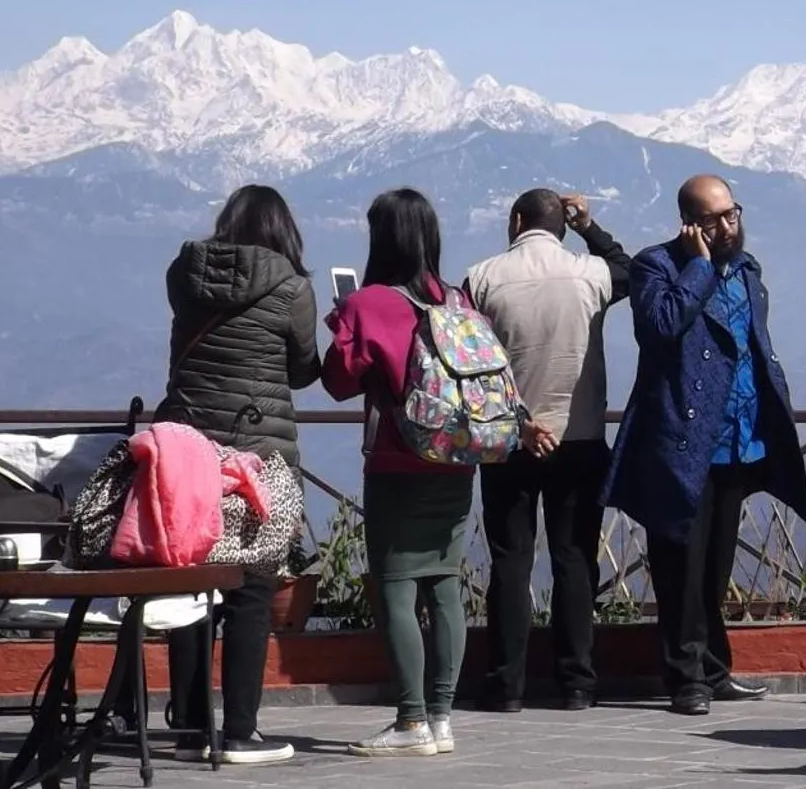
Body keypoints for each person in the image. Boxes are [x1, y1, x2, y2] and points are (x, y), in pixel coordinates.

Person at [322, 188, 549, 758]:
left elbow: (337, 381)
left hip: (397, 463)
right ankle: (442, 718)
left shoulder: (366, 304)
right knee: (444, 583)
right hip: (456, 459)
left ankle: (409, 721)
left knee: (398, 588)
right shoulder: (457, 300)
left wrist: (341, 322)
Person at [602, 174, 806, 716]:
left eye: (732, 213)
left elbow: (753, 346)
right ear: (690, 224)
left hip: (739, 441)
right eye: (715, 218)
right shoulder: (658, 266)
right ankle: (685, 678)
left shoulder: (746, 269)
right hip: (682, 441)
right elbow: (662, 325)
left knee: (716, 566)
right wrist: (698, 267)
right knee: (679, 565)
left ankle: (715, 670)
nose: (728, 226)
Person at [145, 184, 321, 764]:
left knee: (191, 581)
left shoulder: (183, 275)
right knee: (250, 590)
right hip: (259, 461)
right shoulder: (293, 288)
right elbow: (301, 373)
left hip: (186, 454)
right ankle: (242, 731)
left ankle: (193, 724)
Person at [464, 189, 631, 713]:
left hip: (509, 439)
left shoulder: (480, 278)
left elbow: (468, 360)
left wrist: (518, 420)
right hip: (578, 437)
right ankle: (577, 683)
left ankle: (507, 684)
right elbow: (628, 269)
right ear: (562, 223)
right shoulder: (591, 275)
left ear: (515, 220)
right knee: (574, 560)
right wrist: (590, 225)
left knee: (510, 562)